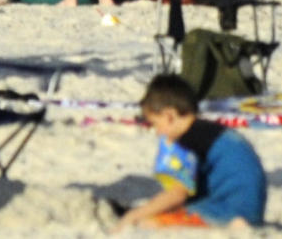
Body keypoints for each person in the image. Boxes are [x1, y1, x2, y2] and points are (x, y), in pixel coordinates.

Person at [114, 75, 266, 230]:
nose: (157, 133)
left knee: (150, 223)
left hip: (227, 210)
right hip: (252, 208)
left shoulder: (186, 143)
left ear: (169, 116)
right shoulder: (210, 131)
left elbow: (177, 195)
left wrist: (133, 215)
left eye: (156, 124)